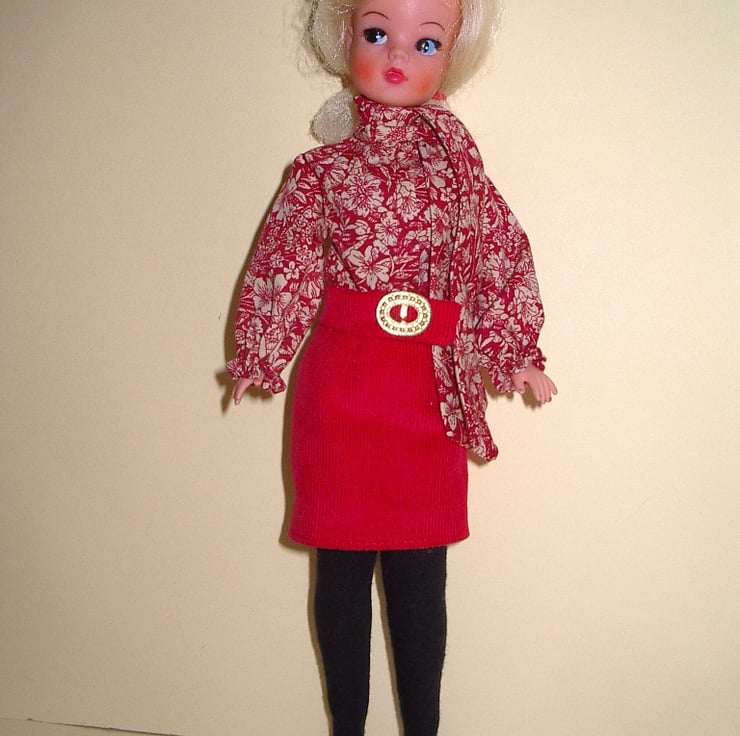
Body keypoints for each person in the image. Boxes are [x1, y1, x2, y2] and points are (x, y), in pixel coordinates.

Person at [228, 0, 557, 733]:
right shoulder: (319, 173)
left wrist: (514, 350)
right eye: (377, 33)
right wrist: (261, 347)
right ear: (344, 37)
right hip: (340, 393)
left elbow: (501, 254)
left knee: (420, 582)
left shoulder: (463, 179)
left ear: (452, 56)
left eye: (425, 42)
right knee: (340, 576)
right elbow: (286, 259)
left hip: (428, 397)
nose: (397, 54)